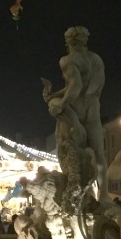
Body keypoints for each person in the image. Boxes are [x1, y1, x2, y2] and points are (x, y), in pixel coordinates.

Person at [41, 26, 107, 203]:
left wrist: (59, 103)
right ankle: (104, 196)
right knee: (99, 153)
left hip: (76, 111)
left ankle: (74, 191)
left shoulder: (68, 60)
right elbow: (84, 86)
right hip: (93, 108)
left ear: (68, 42)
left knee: (67, 149)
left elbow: (75, 86)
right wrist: (56, 94)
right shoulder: (96, 59)